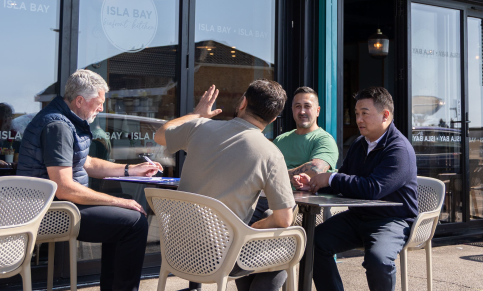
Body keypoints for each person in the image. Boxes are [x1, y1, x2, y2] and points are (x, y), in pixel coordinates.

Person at [17, 69, 161, 291]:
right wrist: (119, 203)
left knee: (127, 211)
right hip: (52, 212)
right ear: (80, 101)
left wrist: (131, 169)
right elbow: (64, 188)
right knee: (134, 221)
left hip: (59, 206)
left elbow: (88, 163)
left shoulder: (66, 120)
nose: (102, 108)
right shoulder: (59, 127)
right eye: (99, 102)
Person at [154, 81, 296, 291]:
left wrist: (197, 114)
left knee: (251, 234)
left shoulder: (199, 127)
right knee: (284, 247)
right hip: (223, 260)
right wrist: (256, 227)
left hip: (177, 252)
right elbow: (284, 219)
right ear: (273, 118)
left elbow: (160, 134)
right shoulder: (271, 153)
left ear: (243, 103)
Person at [294, 87, 418, 291]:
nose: (358, 119)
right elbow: (344, 184)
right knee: (312, 243)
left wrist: (331, 178)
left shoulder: (399, 150)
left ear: (385, 115)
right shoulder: (360, 144)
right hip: (358, 217)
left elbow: (372, 189)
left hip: (391, 220)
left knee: (378, 260)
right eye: (357, 113)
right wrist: (316, 186)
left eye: (365, 113)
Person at [252, 86, 338, 220]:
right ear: (292, 110)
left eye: (307, 106)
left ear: (317, 111)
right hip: (268, 198)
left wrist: (275, 177)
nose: (302, 111)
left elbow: (316, 169)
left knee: (269, 216)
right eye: (298, 106)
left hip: (304, 206)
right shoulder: (281, 140)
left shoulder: (324, 140)